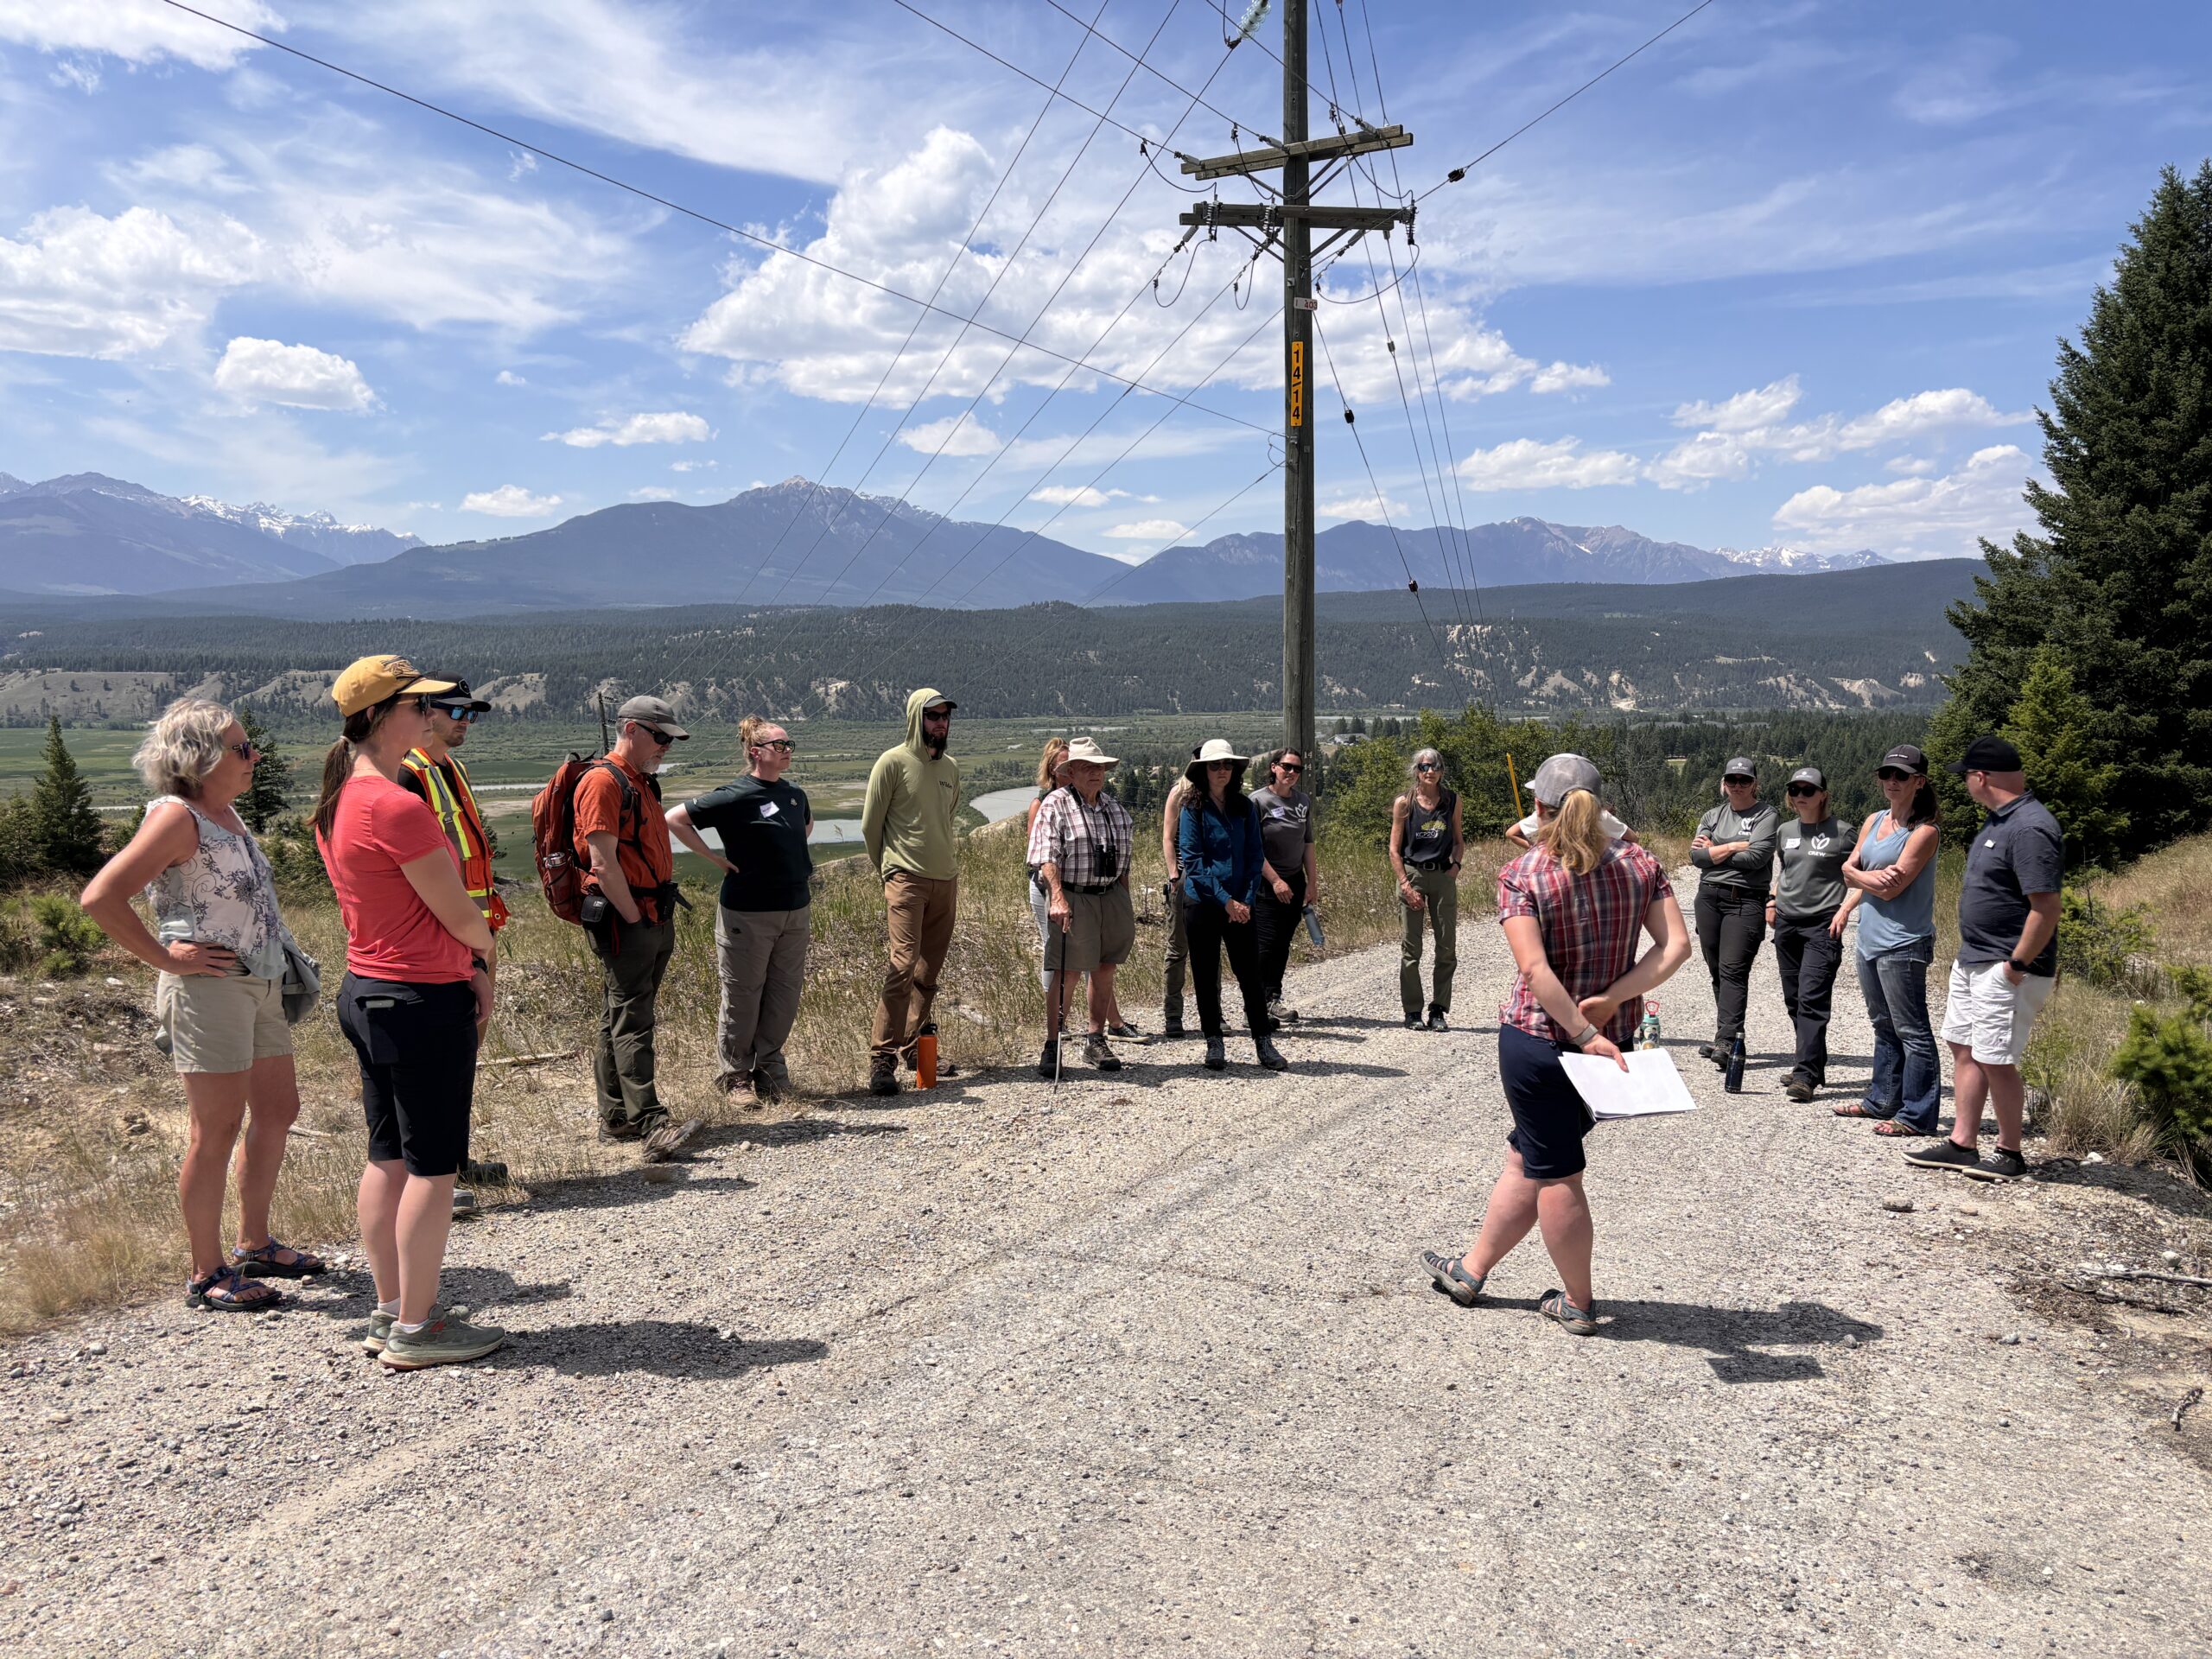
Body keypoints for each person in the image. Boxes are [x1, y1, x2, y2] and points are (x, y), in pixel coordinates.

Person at [1420, 753, 1690, 1336]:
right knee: (1532, 1154)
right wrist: (1612, 1002)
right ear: (1603, 805)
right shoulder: (1641, 863)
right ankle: (1471, 1270)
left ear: (1539, 807)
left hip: (1541, 1040)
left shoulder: (1525, 874)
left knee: (1558, 1169)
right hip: (1611, 1042)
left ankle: (1579, 1302)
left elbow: (1537, 973)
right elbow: (1675, 950)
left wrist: (1581, 1031)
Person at [79, 698, 322, 1314]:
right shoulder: (176, 818)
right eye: (241, 749)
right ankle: (206, 1270)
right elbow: (101, 896)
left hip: (259, 980)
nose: (254, 756)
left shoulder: (223, 812)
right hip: (210, 988)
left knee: (278, 1109)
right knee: (214, 1131)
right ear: (199, 759)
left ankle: (255, 1243)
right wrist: (166, 960)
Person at [312, 655, 504, 1369]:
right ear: (383, 716)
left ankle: (393, 1310)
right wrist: (481, 962)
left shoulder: (342, 798)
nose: (432, 716)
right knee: (433, 1167)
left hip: (369, 990)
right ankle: (418, 1332)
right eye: (418, 706)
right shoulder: (396, 805)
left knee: (387, 1154)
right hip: (421, 995)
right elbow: (458, 912)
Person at [1909, 735, 2064, 1181]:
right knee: (1965, 1046)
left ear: (1982, 777)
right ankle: (1962, 1143)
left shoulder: (2030, 827)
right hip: (1975, 959)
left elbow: (2046, 906)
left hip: (2006, 966)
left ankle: (2010, 1153)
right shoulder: (1999, 821)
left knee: (1996, 1057)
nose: (1964, 785)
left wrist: (2015, 966)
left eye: (1966, 777)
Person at [575, 695, 701, 1158]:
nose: (667, 746)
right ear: (631, 730)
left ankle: (617, 1118)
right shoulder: (604, 784)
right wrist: (633, 918)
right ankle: (650, 1121)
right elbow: (603, 863)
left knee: (619, 1017)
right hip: (629, 920)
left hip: (652, 915)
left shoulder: (640, 782)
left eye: (670, 739)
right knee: (633, 1019)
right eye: (661, 737)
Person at [668, 716, 813, 1103]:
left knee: (784, 993)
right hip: (747, 912)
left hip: (795, 908)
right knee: (743, 994)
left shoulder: (794, 794)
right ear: (756, 752)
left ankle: (770, 1068)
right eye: (779, 746)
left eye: (789, 745)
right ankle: (736, 1076)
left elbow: (804, 828)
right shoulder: (735, 795)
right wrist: (714, 858)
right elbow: (675, 819)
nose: (787, 752)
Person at [1835, 745, 1942, 1136]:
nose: (1892, 782)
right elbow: (1854, 872)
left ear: (1919, 782)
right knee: (1883, 1025)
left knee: (1912, 1030)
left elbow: (1891, 888)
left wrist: (1857, 875)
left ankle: (1917, 1115)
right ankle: (1882, 1100)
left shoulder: (1925, 831)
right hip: (1869, 938)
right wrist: (1861, 885)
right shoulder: (1874, 820)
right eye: (1886, 775)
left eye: (1901, 776)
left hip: (1904, 942)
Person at [861, 689, 961, 1096]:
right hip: (905, 878)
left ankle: (914, 1047)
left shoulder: (950, 768)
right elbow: (871, 826)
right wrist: (888, 871)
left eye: (945, 716)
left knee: (928, 972)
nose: (940, 722)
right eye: (932, 715)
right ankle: (882, 1057)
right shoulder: (892, 762)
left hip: (946, 879)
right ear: (916, 718)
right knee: (902, 966)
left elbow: (947, 818)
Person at [396, 678, 505, 1044]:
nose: (465, 721)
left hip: (480, 920)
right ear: (426, 713)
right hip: (447, 928)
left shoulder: (456, 769)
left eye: (470, 713)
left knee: (476, 1034)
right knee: (451, 1040)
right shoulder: (407, 774)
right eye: (456, 711)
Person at [1026, 738, 1137, 1076]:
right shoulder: (1055, 805)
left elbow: (1125, 864)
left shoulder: (1115, 810)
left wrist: (1124, 904)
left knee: (1105, 968)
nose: (1096, 773)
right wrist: (1057, 897)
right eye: (1087, 767)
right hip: (1073, 894)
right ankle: (1053, 1043)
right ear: (1070, 772)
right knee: (1067, 971)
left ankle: (1095, 1039)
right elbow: (1045, 856)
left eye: (1100, 767)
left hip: (1110, 894)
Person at [1177, 739, 1287, 1072]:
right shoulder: (1191, 808)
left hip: (1242, 903)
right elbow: (1193, 862)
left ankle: (1263, 1041)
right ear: (1203, 771)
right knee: (1206, 974)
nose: (1222, 771)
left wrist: (1246, 900)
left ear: (1234, 770)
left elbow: (1255, 856)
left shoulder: (1244, 807)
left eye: (1227, 765)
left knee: (1249, 975)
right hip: (1204, 903)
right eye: (1215, 765)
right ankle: (1214, 1041)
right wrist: (1227, 901)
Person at [1765, 767, 1860, 1103]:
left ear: (1823, 794)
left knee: (1811, 998)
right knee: (1794, 999)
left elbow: (1862, 877)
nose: (1801, 795)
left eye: (1808, 789)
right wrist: (1773, 900)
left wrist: (1846, 909)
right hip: (1788, 923)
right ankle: (1810, 1063)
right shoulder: (1785, 831)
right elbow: (1786, 870)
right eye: (1795, 789)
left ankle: (1805, 1076)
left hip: (1823, 924)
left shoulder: (1845, 834)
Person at [1690, 758, 1779, 1069]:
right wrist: (1732, 847)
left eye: (1744, 780)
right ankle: (1727, 1035)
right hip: (1709, 898)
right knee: (1716, 969)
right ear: (1723, 783)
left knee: (1733, 970)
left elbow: (1757, 857)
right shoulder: (1712, 815)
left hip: (1745, 901)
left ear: (1755, 783)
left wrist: (1716, 849)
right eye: (1732, 780)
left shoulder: (1767, 814)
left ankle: (1727, 1040)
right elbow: (1696, 857)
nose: (1737, 786)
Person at [1389, 747, 1463, 1031]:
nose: (1429, 771)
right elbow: (1394, 850)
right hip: (1413, 875)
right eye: (1423, 766)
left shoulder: (1452, 801)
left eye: (1434, 766)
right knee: (1412, 948)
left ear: (1442, 771)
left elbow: (1458, 839)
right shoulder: (1404, 804)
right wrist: (1406, 885)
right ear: (1416, 771)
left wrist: (1455, 867)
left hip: (1443, 875)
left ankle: (1438, 1010)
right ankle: (1412, 1011)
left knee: (1446, 947)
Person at [1249, 747, 1320, 1028]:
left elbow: (1308, 843)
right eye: (1287, 767)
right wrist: (1275, 880)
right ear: (1273, 767)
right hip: (1266, 883)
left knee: (1282, 945)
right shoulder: (1257, 801)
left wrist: (1311, 882)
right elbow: (1252, 849)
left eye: (1297, 769)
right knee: (1264, 946)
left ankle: (1272, 999)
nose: (1292, 773)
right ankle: (1255, 1005)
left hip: (1294, 881)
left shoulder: (1302, 802)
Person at [1159, 769, 1196, 1039]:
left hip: (1212, 880)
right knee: (1178, 948)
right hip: (1184, 880)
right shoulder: (1179, 792)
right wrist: (1174, 875)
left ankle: (1214, 1013)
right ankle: (1173, 1014)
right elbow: (1168, 837)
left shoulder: (1221, 795)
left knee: (1209, 949)